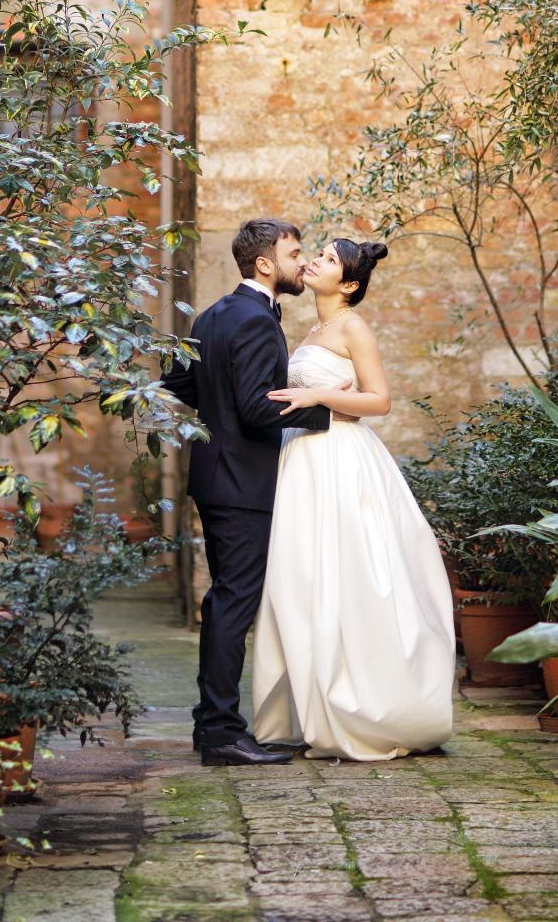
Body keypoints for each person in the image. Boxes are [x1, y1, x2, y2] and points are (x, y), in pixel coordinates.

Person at [251, 239, 456, 761]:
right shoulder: (314, 329)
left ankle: (365, 702)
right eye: (315, 253)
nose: (315, 261)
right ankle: (311, 698)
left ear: (347, 285)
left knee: (348, 574)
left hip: (341, 459)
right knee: (303, 577)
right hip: (303, 460)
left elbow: (378, 400)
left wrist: (318, 396)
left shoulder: (352, 326)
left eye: (328, 260)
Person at [162, 218, 336, 767]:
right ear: (265, 264)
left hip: (216, 477)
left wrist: (220, 414)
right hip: (243, 483)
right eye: (294, 253)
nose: (301, 263)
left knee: (225, 602)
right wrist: (328, 405)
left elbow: (177, 381)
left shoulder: (213, 314)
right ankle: (219, 733)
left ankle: (211, 726)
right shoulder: (258, 322)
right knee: (232, 605)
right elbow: (260, 408)